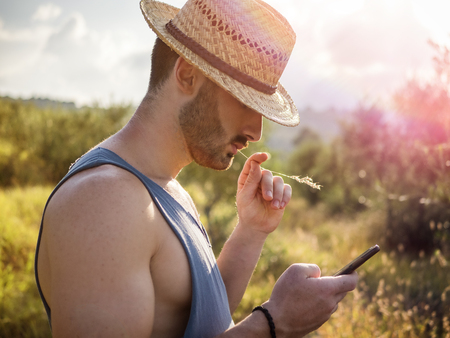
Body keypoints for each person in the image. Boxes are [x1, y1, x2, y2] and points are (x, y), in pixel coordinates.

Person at [35, 0, 358, 337]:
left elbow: (199, 319)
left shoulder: (164, 188)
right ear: (187, 75)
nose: (256, 132)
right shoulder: (103, 203)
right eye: (246, 101)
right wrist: (275, 323)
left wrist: (251, 232)